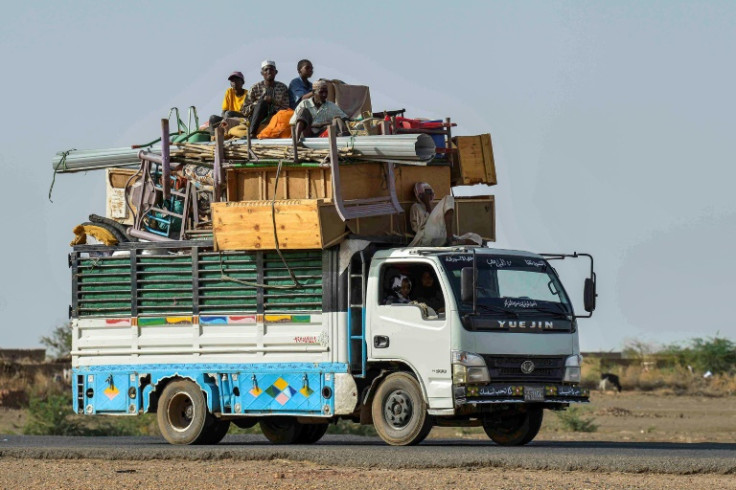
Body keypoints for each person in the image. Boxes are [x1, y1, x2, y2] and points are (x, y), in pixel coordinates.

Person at [408, 182, 482, 247]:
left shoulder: (435, 208)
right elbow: (418, 228)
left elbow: (438, 222)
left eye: (430, 192)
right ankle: (450, 238)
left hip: (440, 236)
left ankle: (455, 241)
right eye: (427, 192)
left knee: (476, 237)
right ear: (420, 195)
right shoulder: (416, 207)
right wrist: (427, 203)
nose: (430, 195)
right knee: (448, 198)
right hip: (426, 237)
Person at [241, 60, 290, 138]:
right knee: (262, 103)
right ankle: (252, 133)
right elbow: (244, 110)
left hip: (276, 116)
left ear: (276, 72)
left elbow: (286, 107)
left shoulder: (282, 87)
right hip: (257, 118)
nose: (269, 72)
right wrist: (259, 102)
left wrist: (273, 101)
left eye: (271, 69)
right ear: (262, 73)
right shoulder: (255, 88)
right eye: (266, 70)